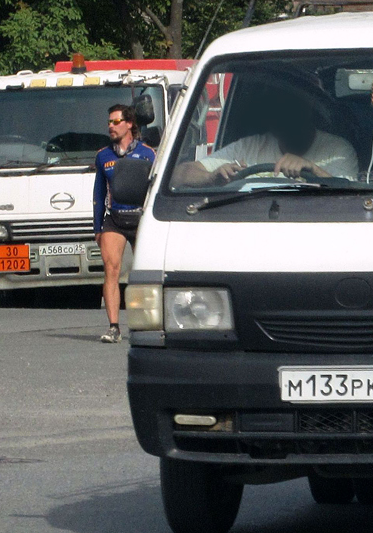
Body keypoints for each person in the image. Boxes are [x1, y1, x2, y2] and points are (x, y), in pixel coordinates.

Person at [173, 83, 357, 187]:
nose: (280, 117)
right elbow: (179, 174)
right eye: (274, 110)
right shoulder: (249, 147)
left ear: (307, 111)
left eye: (288, 108)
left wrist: (312, 169)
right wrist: (211, 177)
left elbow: (351, 197)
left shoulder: (338, 150)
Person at [93, 103, 156, 343]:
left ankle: (147, 325)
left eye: (115, 122)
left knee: (144, 273)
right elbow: (99, 194)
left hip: (141, 218)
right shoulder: (103, 156)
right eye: (109, 122)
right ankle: (113, 327)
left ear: (129, 124)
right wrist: (97, 227)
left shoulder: (148, 153)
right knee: (111, 269)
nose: (110, 126)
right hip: (115, 219)